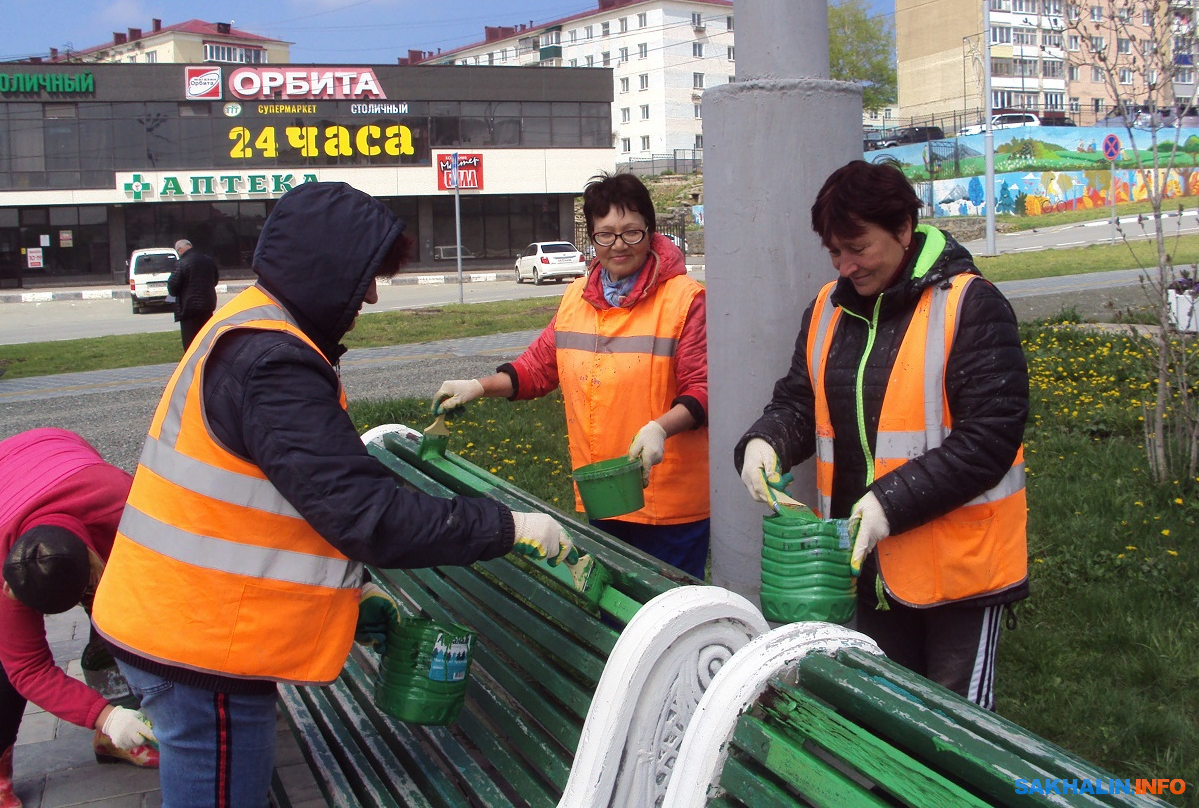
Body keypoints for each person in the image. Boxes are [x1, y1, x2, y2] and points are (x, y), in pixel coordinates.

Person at [92, 181, 575, 808]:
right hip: (201, 646)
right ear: (327, 270)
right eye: (365, 276)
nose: (370, 294)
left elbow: (286, 502)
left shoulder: (247, 327)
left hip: (182, 623)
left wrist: (349, 590)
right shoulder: (272, 362)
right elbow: (367, 515)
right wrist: (508, 526)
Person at [735, 160, 1028, 710]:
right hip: (865, 568)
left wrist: (889, 503)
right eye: (834, 253)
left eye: (858, 248)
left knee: (954, 735)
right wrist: (765, 441)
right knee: (884, 723)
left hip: (960, 576)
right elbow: (801, 399)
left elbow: (990, 437)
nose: (846, 266)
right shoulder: (829, 307)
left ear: (903, 229)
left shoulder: (970, 304)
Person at [434, 172, 709, 578]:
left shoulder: (685, 299)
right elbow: (535, 369)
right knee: (613, 615)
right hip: (604, 494)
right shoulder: (576, 298)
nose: (619, 245)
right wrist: (478, 387)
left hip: (668, 503)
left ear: (651, 232)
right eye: (606, 234)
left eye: (632, 232)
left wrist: (659, 430)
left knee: (665, 625)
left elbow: (703, 389)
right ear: (592, 239)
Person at [0, 428, 159, 808]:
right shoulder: (5, 568)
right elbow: (27, 668)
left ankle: (115, 730)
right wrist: (102, 716)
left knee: (113, 614)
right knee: (5, 661)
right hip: (7, 481)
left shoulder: (126, 507)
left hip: (60, 450)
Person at [166, 239, 219, 350]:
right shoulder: (208, 260)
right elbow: (215, 280)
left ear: (180, 249)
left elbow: (173, 286)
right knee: (207, 340)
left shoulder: (181, 263)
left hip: (188, 309)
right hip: (207, 306)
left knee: (191, 344)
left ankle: (193, 366)